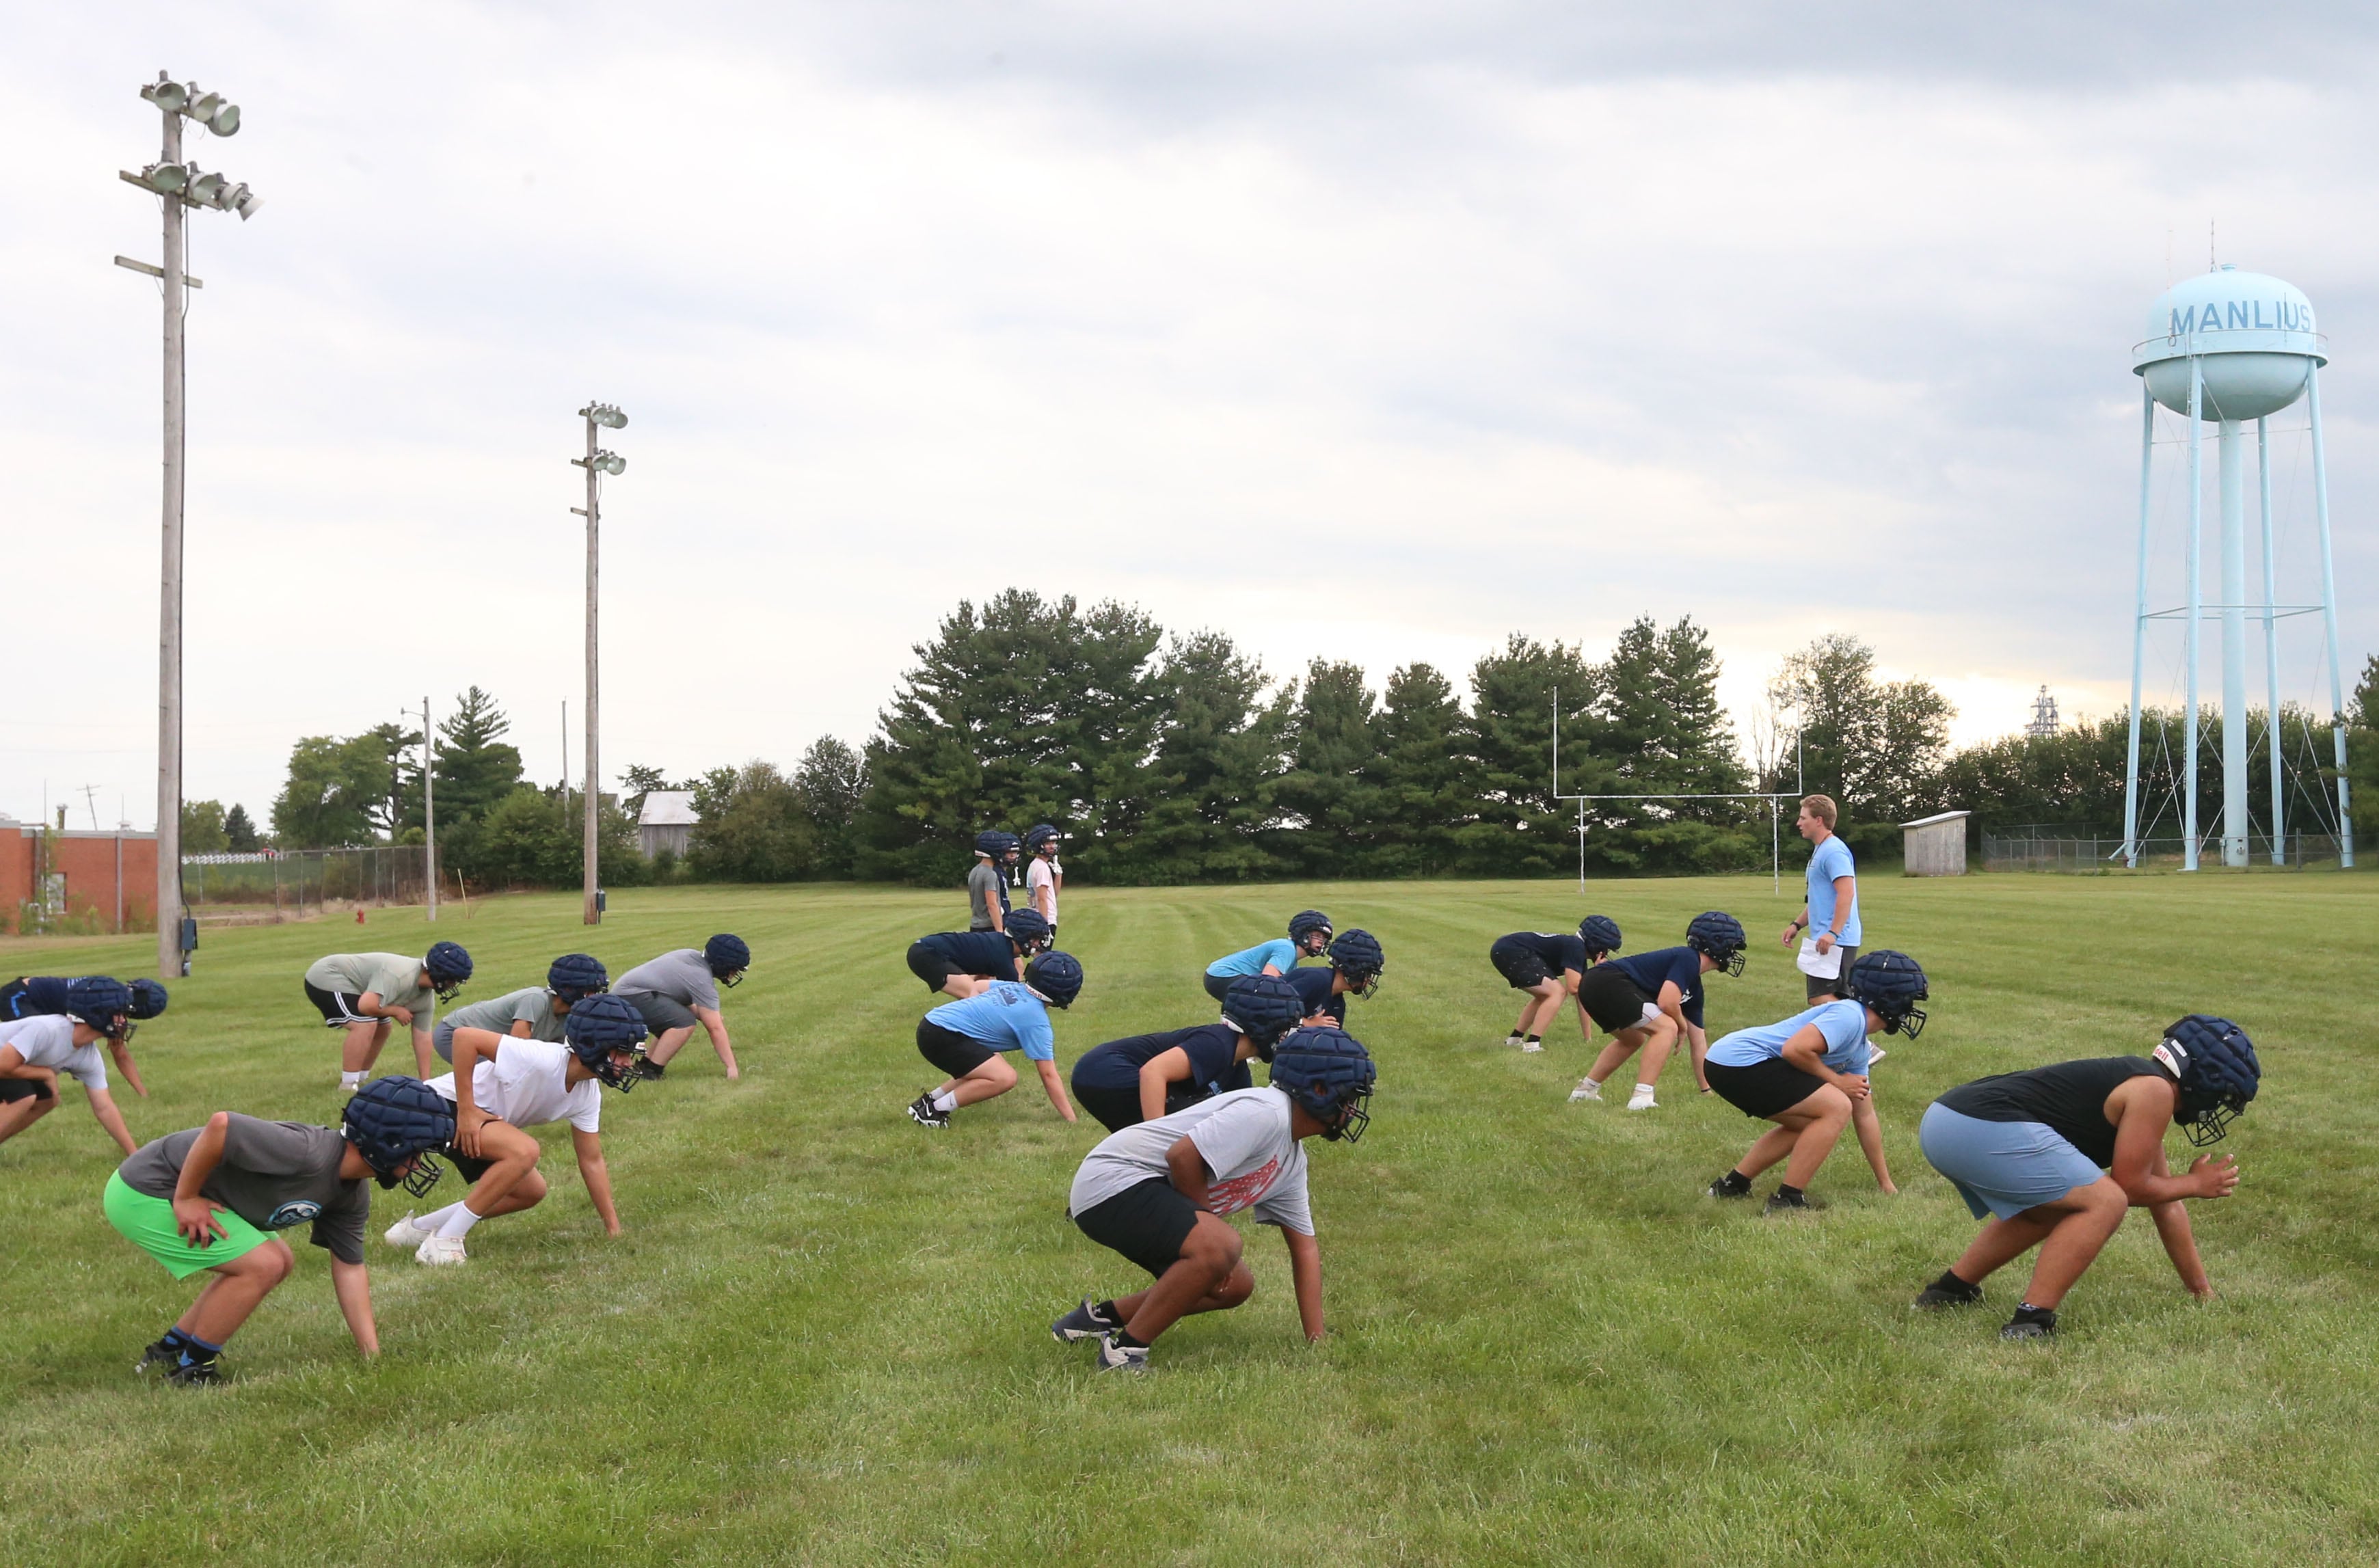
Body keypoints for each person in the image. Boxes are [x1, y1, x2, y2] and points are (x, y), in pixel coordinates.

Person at [1051, 1024, 1375, 1373]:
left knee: (1235, 1286)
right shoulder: (1267, 1112)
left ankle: (1094, 1320)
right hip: (1112, 1180)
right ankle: (1125, 1352)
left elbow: (1305, 1248)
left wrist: (1317, 1339)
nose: (1354, 1110)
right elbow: (1183, 1156)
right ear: (1319, 1090)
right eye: (1350, 1098)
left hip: (1128, 1192)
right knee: (1219, 1247)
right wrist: (1207, 1226)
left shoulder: (1291, 1161)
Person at [1911, 1014, 2257, 1341]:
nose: (2216, 1107)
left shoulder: (2145, 1084)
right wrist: (2195, 1184)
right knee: (2106, 1201)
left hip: (1945, 1120)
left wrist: (2202, 1291)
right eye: (2221, 1095)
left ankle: (1950, 1290)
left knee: (2049, 1210)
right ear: (2203, 1079)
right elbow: (2131, 1188)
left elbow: (2166, 1207)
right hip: (1976, 1125)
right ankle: (2031, 1322)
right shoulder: (2155, 1091)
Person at [107, 1076, 453, 1385]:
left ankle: (169, 1349)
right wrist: (186, 1198)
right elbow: (222, 1126)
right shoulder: (307, 1153)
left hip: (176, 1189)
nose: (420, 1164)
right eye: (416, 1153)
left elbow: (350, 1269)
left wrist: (371, 1354)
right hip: (148, 1189)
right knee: (263, 1264)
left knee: (281, 1260)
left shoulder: (351, 1192)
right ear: (387, 1145)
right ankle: (192, 1370)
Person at [384, 992, 650, 1266]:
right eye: (623, 1053)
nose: (628, 1063)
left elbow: (592, 1161)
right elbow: (465, 1037)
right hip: (434, 1106)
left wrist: (613, 1228)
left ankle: (416, 1231)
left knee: (531, 1191)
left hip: (470, 1120)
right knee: (525, 1151)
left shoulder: (587, 1094)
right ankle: (444, 1241)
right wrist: (467, 1110)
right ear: (594, 1045)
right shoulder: (543, 1057)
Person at [1703, 950, 1927, 1213]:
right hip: (1738, 1061)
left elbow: (1865, 1115)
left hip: (1727, 1063)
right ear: (1889, 999)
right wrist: (1838, 1082)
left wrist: (1886, 1183)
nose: (1910, 1008)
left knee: (1810, 1123)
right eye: (1908, 1000)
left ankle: (1732, 1185)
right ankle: (1788, 1200)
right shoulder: (1850, 1015)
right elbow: (1795, 1049)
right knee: (1835, 1106)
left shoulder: (1859, 1046)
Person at [1070, 973, 1307, 1133]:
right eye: (1286, 1027)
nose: (1289, 1036)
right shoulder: (1218, 1044)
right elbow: (1153, 1072)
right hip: (1104, 1070)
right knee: (1186, 1133)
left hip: (1099, 1073)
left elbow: (1239, 1118)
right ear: (1263, 1025)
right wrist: (1156, 1137)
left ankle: (1103, 1194)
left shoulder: (1236, 1067)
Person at [1572, 912, 1746, 1108]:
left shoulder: (1693, 988)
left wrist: (1706, 1089)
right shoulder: (1688, 957)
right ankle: (1642, 1097)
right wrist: (1681, 1026)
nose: (1733, 953)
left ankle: (1585, 1090)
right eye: (1732, 947)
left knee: (1632, 1040)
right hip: (1606, 980)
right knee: (1666, 1028)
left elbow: (1699, 1043)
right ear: (1717, 944)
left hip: (1594, 985)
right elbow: (1667, 1001)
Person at [906, 951, 1083, 1128]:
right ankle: (934, 1111)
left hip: (932, 1023)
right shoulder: (1036, 1021)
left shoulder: (1014, 987)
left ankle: (927, 1102)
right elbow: (1048, 1075)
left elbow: (979, 985)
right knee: (1004, 1077)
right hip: (941, 1035)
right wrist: (1071, 1119)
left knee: (990, 1064)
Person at [0, 977, 144, 1157]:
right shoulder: (48, 1029)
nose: (123, 1021)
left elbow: (104, 1108)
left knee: (47, 1100)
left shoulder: (88, 1057)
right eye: (119, 1014)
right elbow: (3, 1066)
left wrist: (135, 1155)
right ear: (98, 1013)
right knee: (24, 1097)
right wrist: (46, 1074)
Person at [304, 941, 474, 1090]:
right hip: (327, 975)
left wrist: (427, 1082)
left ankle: (361, 1077)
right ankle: (348, 1084)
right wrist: (395, 1010)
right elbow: (366, 1005)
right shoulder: (401, 976)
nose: (454, 985)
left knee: (384, 1027)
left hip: (354, 986)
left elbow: (423, 1038)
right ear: (440, 974)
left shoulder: (425, 998)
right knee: (364, 1024)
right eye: (453, 980)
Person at [431, 953, 609, 1063]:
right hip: (453, 1033)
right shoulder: (535, 1000)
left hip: (481, 1038)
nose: (596, 998)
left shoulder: (568, 1016)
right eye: (591, 992)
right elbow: (515, 1052)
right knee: (495, 1075)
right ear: (570, 990)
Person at [616, 934, 749, 1081]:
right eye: (734, 970)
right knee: (684, 1022)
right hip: (632, 996)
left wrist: (708, 1015)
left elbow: (678, 999)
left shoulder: (690, 955)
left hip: (627, 993)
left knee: (678, 1017)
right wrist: (731, 1067)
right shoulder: (701, 979)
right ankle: (652, 1071)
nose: (734, 974)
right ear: (722, 965)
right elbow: (715, 1029)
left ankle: (646, 1064)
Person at [1490, 917, 1621, 1053]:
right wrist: (1597, 971)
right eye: (1606, 949)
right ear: (1596, 944)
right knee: (1557, 992)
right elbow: (1573, 987)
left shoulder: (1577, 950)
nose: (1605, 953)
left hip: (1505, 948)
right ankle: (1532, 1044)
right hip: (1512, 950)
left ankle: (1515, 1039)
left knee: (1544, 996)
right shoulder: (1575, 947)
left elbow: (1582, 996)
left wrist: (1587, 1038)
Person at [1779, 794, 1860, 1001]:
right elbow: (1820, 900)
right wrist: (1797, 925)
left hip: (1836, 940)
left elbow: (1846, 892)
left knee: (1822, 998)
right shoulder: (1821, 850)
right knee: (1826, 998)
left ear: (1819, 820)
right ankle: (1852, 1032)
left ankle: (1859, 1032)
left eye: (1803, 818)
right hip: (1824, 938)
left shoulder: (1834, 852)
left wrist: (1833, 933)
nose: (1799, 823)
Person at [903, 909, 1053, 1001]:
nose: (1037, 943)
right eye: (1035, 938)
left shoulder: (1000, 944)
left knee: (975, 994)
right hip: (927, 953)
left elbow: (983, 979)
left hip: (925, 949)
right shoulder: (1002, 955)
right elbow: (1016, 993)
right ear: (1022, 936)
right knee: (973, 997)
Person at [1200, 910, 1332, 1005]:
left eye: (1324, 938)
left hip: (1219, 975)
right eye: (1318, 936)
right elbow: (1268, 980)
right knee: (1263, 1000)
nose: (1322, 941)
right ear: (1304, 934)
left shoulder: (1292, 957)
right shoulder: (1286, 949)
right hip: (1223, 975)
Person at [3, 974, 170, 1033]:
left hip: (30, 1000)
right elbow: (120, 1054)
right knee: (36, 1039)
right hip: (19, 996)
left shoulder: (112, 994)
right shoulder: (108, 1001)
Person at [1284, 930, 1386, 1025]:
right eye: (1368, 974)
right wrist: (1307, 1024)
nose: (1369, 980)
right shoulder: (1317, 979)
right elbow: (1272, 1007)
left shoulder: (1338, 1004)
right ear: (1354, 970)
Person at [969, 830, 1021, 933]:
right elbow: (992, 904)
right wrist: (1000, 931)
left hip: (975, 925)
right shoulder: (991, 874)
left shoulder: (974, 871)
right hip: (988, 926)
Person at [1023, 824, 1063, 941]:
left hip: (1037, 917)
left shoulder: (1036, 865)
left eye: (1054, 843)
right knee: (1041, 957)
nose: (1052, 846)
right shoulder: (1041, 868)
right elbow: (1042, 899)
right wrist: (1044, 926)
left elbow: (1053, 895)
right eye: (1048, 843)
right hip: (1045, 919)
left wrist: (1059, 875)